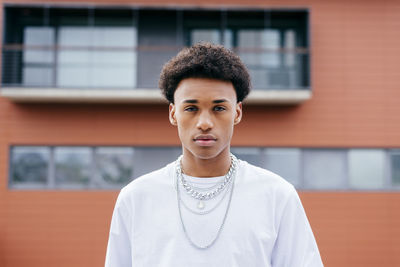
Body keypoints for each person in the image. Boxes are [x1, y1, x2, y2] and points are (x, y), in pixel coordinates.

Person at [105, 42, 324, 267]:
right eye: (191, 108)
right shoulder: (136, 197)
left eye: (219, 108)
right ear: (173, 114)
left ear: (237, 112)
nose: (205, 123)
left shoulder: (277, 195)